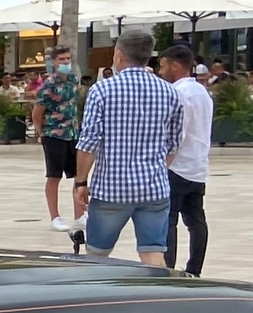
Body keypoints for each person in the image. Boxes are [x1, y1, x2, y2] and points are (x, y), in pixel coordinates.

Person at [72, 28, 179, 266]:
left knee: (97, 254)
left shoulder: (102, 90)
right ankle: (156, 297)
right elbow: (173, 144)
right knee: (153, 253)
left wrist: (81, 181)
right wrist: (157, 169)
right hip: (154, 188)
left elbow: (89, 142)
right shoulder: (169, 92)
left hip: (111, 188)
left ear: (119, 55)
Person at [158, 42, 213, 276]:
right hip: (198, 166)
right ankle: (194, 268)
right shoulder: (202, 91)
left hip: (178, 167)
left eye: (163, 67)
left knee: (168, 221)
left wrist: (164, 162)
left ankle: (167, 270)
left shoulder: (178, 93)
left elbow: (176, 132)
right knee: (196, 221)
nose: (161, 72)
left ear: (175, 66)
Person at [31, 45, 84, 236]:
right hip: (54, 134)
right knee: (54, 176)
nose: (65, 62)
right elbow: (37, 113)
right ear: (53, 62)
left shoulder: (72, 80)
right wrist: (41, 132)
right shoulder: (48, 86)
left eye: (67, 59)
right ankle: (55, 217)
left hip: (73, 133)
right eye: (61, 59)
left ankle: (80, 214)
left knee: (79, 175)